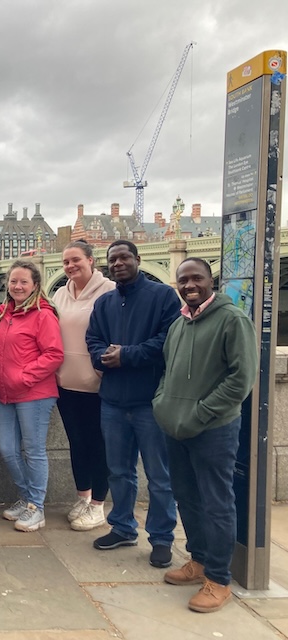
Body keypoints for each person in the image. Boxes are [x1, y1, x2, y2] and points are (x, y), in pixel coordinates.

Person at [153, 257, 257, 613]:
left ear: (211, 281)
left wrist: (200, 413)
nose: (189, 285)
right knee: (186, 496)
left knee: (216, 502)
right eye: (183, 280)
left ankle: (218, 578)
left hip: (213, 429)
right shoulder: (180, 323)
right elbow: (168, 370)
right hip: (176, 426)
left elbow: (241, 380)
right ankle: (197, 561)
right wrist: (162, 404)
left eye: (196, 278)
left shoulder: (233, 320)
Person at [86, 239, 181, 568]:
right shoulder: (105, 302)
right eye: (112, 260)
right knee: (119, 472)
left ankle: (162, 538)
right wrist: (102, 355)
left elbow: (168, 339)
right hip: (112, 401)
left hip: (150, 402)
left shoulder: (163, 296)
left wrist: (126, 355)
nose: (118, 264)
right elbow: (92, 339)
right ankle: (123, 527)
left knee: (159, 475)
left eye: (124, 257)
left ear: (137, 260)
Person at [0, 260, 63, 532]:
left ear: (35, 285)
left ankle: (37, 507)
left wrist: (24, 377)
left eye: (23, 282)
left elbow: (54, 354)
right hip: (4, 393)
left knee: (33, 451)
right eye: (13, 281)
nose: (17, 286)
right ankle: (26, 497)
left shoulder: (43, 315)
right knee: (8, 450)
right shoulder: (4, 314)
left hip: (35, 394)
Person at [52, 240, 115, 531]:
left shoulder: (110, 292)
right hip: (65, 383)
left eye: (75, 260)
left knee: (99, 445)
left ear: (91, 260)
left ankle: (99, 505)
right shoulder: (60, 295)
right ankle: (83, 496)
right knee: (76, 443)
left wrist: (102, 370)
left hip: (97, 384)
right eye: (65, 262)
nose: (70, 266)